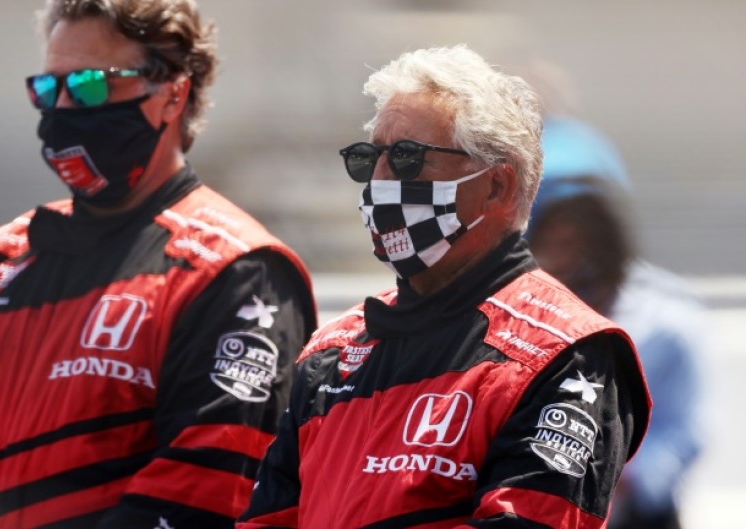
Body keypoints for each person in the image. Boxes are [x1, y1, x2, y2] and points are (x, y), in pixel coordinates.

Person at [0, 1, 317, 528]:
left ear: (172, 93)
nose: (66, 107)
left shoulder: (238, 270)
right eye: (49, 90)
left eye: (93, 84)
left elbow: (209, 480)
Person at [238, 44, 651, 529]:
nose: (379, 180)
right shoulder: (331, 352)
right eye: (370, 157)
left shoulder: (567, 352)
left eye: (409, 159)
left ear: (497, 186)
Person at [526, 117, 705, 529]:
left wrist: (620, 482)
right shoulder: (518, 313)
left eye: (587, 223)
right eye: (557, 223)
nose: (571, 239)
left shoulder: (666, 316)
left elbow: (684, 432)